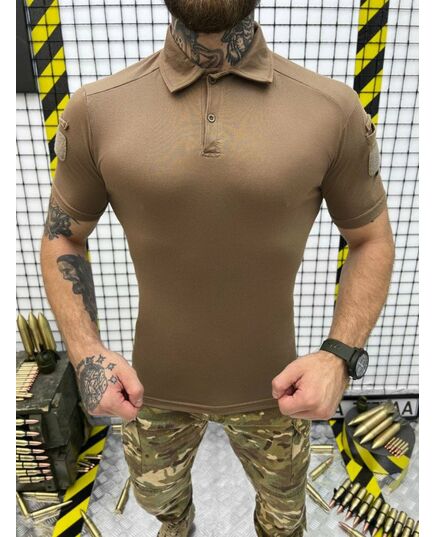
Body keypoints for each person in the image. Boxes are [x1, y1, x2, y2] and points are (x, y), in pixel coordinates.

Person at [39, 1, 395, 535]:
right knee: (159, 504)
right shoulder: (98, 109)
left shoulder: (330, 110)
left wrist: (340, 357)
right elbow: (63, 236)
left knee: (284, 518)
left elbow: (370, 239)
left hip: (278, 392)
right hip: (150, 390)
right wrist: (86, 354)